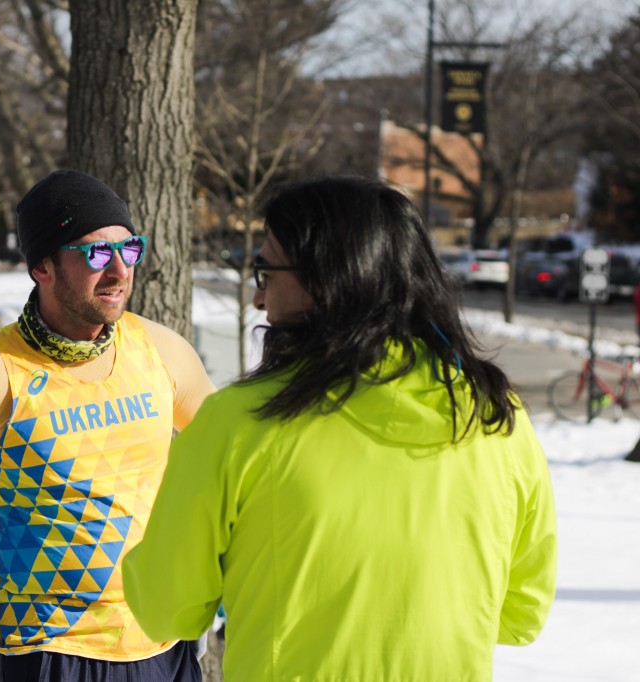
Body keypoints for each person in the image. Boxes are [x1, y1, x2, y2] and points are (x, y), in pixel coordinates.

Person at [123, 176, 558, 681]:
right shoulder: (496, 420)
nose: (258, 299)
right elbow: (522, 613)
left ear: (326, 279)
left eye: (265, 272)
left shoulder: (238, 423)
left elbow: (165, 607)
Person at [0, 169, 216, 681]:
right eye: (95, 254)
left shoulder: (162, 351)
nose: (119, 270)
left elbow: (228, 468)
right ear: (43, 267)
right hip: (54, 655)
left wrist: (207, 585)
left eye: (130, 249)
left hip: (165, 646)